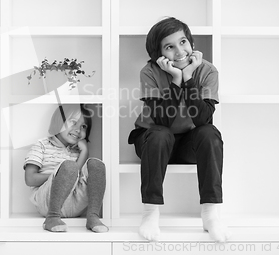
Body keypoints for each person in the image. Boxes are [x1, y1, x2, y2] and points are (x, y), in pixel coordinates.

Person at [128, 17, 230, 242]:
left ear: (191, 42)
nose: (179, 51)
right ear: (159, 54)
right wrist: (176, 80)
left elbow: (203, 119)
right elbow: (162, 120)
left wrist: (189, 78)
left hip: (186, 144)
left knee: (210, 133)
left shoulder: (207, 71)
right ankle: (150, 213)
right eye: (169, 47)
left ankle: (210, 214)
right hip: (151, 140)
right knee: (160, 133)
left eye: (183, 42)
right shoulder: (150, 72)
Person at [24, 104, 108, 233]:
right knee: (69, 166)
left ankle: (93, 216)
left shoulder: (78, 151)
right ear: (59, 122)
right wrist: (59, 176)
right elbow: (30, 179)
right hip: (47, 202)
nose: (78, 130)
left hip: (74, 204)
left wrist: (84, 152)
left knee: (96, 165)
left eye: (83, 126)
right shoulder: (42, 145)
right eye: (73, 122)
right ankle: (52, 217)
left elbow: (77, 176)